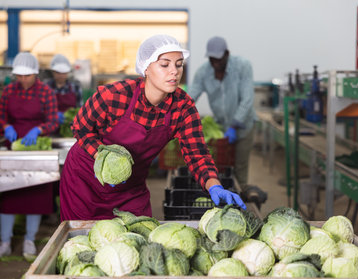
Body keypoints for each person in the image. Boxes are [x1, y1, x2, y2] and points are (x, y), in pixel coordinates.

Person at [59, 34, 246, 221]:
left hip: (130, 186)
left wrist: (214, 185)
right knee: (82, 241)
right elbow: (80, 128)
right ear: (145, 67)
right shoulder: (114, 96)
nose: (174, 71)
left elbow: (197, 153)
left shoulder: (183, 107)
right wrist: (103, 158)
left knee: (138, 238)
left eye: (179, 64)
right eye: (165, 65)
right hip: (85, 181)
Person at [0, 52, 59, 258]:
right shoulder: (8, 91)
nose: (22, 80)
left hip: (36, 146)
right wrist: (6, 127)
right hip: (14, 147)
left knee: (35, 193)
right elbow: (0, 117)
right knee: (9, 193)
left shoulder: (45, 92)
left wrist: (38, 130)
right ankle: (5, 241)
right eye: (19, 76)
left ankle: (29, 240)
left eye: (27, 76)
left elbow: (53, 121)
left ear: (35, 73)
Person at [189, 36, 265, 204]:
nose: (215, 62)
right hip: (221, 127)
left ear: (227, 54)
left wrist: (235, 124)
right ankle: (222, 196)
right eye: (212, 58)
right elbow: (191, 95)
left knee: (239, 167)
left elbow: (247, 100)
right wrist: (176, 112)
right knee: (219, 166)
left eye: (219, 58)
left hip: (244, 126)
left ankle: (241, 198)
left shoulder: (242, 66)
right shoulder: (203, 72)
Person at [45, 54, 82, 124]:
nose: (61, 75)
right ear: (53, 72)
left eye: (64, 73)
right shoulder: (46, 87)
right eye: (58, 73)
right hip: (50, 126)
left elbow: (80, 109)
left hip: (70, 126)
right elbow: (40, 109)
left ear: (68, 72)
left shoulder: (76, 86)